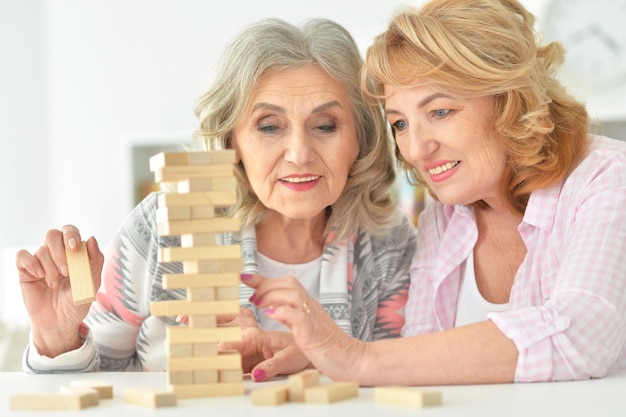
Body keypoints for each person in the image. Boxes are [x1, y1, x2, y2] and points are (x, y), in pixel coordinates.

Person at [242, 0, 626, 385]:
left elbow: (582, 333)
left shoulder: (607, 179)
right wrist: (317, 355)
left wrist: (354, 358)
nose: (415, 149)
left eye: (440, 112)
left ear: (509, 99)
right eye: (400, 123)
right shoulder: (446, 216)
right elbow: (418, 358)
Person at [15, 17, 417, 381]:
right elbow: (88, 389)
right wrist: (57, 336)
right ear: (232, 141)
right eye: (269, 126)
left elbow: (399, 377)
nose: (299, 153)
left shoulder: (387, 242)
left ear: (360, 139)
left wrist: (319, 358)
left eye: (325, 125)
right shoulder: (162, 227)